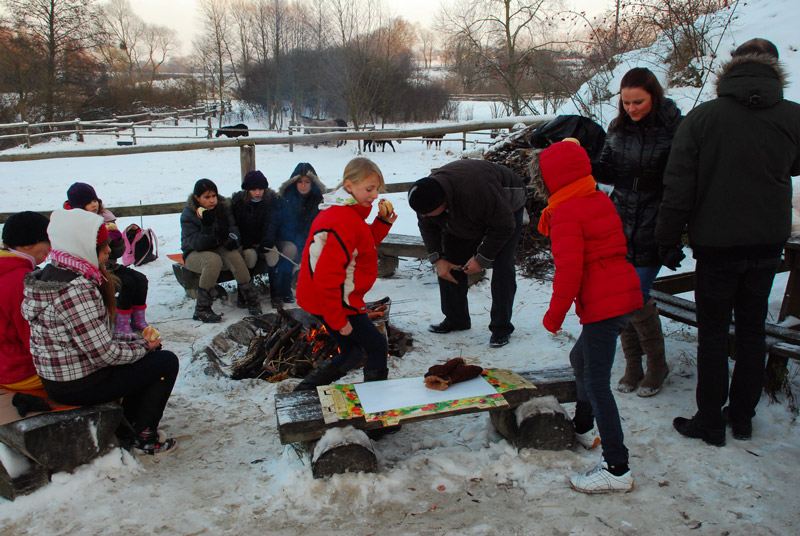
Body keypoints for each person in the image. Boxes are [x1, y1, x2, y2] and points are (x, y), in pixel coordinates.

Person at [655, 38, 800, 446]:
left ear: (731, 68)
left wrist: (667, 238)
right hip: (768, 243)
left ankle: (710, 422)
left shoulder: (704, 118)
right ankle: (741, 417)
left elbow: (678, 185)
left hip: (717, 244)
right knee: (753, 329)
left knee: (714, 333)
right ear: (774, 69)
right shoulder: (792, 116)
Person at [531, 140, 642, 493]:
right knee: (580, 357)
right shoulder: (596, 198)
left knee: (597, 383)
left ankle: (617, 468)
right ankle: (582, 426)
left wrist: (554, 315)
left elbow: (569, 271)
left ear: (549, 180)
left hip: (604, 301)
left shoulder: (565, 212)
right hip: (621, 294)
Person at [21, 209, 178, 455]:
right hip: (78, 384)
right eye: (102, 247)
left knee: (146, 358)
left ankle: (129, 422)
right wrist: (143, 347)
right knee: (165, 362)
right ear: (83, 247)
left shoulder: (54, 273)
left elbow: (95, 337)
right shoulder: (76, 289)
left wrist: (134, 341)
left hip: (58, 378)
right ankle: (142, 434)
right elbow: (105, 355)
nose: (108, 251)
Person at [594, 68, 683, 397]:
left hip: (655, 221)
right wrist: (584, 158)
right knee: (620, 295)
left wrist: (672, 233)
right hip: (620, 221)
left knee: (635, 295)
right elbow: (606, 169)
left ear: (654, 96)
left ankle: (657, 365)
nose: (631, 108)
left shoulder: (675, 128)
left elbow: (682, 182)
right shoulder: (617, 127)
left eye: (638, 102)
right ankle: (633, 364)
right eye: (626, 102)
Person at [293, 157, 397, 391]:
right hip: (337, 300)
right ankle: (376, 411)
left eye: (377, 189)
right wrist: (338, 319)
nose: (374, 195)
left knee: (351, 353)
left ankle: (303, 392)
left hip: (325, 298)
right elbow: (327, 276)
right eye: (369, 189)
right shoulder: (344, 219)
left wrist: (380, 223)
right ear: (349, 186)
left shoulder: (345, 211)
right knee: (377, 346)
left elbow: (359, 246)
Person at [407, 159, 526, 348]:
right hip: (466, 210)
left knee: (503, 265)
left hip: (507, 203)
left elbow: (505, 226)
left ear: (442, 202)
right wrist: (438, 259)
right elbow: (427, 227)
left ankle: (501, 328)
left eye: (427, 213)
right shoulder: (425, 197)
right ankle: (456, 319)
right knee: (450, 258)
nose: (423, 216)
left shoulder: (476, 192)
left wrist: (482, 259)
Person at [64, 182, 151, 337]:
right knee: (126, 283)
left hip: (110, 264)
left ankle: (137, 319)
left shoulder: (105, 219)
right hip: (92, 268)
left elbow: (118, 253)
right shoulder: (74, 224)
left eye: (94, 201)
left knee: (140, 279)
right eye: (87, 203)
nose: (93, 205)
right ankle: (121, 322)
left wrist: (116, 240)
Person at [181, 178, 262, 322]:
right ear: (197, 198)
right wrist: (206, 226)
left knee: (234, 256)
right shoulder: (189, 215)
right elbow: (197, 244)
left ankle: (251, 300)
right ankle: (202, 309)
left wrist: (232, 241)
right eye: (207, 197)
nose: (212, 200)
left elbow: (233, 230)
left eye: (214, 196)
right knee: (213, 260)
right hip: (194, 253)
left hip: (218, 246)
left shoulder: (223, 208)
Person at [0, 211, 51, 391]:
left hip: (6, 363)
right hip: (22, 370)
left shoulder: (5, 270)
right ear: (28, 244)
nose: (50, 247)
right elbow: (34, 339)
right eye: (47, 240)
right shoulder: (20, 281)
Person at [269, 163, 325, 307]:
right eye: (300, 182)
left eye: (307, 182)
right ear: (294, 182)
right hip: (287, 239)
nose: (303, 185)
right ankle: (284, 288)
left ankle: (320, 289)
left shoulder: (319, 201)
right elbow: (278, 224)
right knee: (291, 249)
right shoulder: (285, 199)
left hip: (310, 239)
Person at [230, 170, 279, 308]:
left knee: (273, 255)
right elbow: (234, 226)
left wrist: (268, 239)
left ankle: (275, 294)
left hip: (264, 240)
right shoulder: (238, 203)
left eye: (260, 189)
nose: (257, 192)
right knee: (250, 257)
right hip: (246, 243)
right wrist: (244, 242)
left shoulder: (270, 202)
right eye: (253, 189)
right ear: (247, 190)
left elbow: (272, 224)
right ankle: (245, 294)